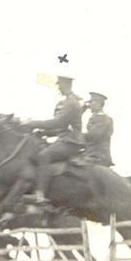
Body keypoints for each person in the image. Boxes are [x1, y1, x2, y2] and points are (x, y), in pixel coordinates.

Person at [19, 75, 86, 204]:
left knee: (44, 156)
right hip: (67, 139)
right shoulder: (69, 101)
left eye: (59, 84)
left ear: (65, 85)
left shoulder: (70, 102)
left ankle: (40, 194)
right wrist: (43, 132)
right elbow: (61, 126)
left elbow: (58, 122)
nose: (58, 87)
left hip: (71, 141)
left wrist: (33, 123)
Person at [83, 92, 114, 167]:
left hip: (98, 156)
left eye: (92, 102)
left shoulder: (103, 118)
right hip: (92, 153)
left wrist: (75, 135)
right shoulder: (95, 117)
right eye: (89, 102)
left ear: (99, 103)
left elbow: (93, 136)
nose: (90, 105)